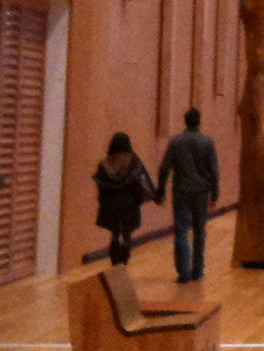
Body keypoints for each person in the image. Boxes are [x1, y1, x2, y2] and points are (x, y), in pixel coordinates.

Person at [156, 107, 220, 284]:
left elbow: (164, 168)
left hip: (181, 191)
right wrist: (215, 194)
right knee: (200, 230)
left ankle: (183, 273)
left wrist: (161, 191)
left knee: (182, 230)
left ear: (185, 122)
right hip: (201, 192)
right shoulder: (208, 142)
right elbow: (214, 171)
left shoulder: (176, 142)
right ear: (199, 121)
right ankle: (197, 270)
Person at [93, 132, 155, 266]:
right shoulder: (134, 161)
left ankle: (115, 261)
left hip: (111, 204)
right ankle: (124, 259)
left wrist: (103, 203)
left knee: (115, 233)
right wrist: (139, 200)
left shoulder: (104, 163)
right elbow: (140, 183)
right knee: (127, 233)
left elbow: (101, 189)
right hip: (129, 203)